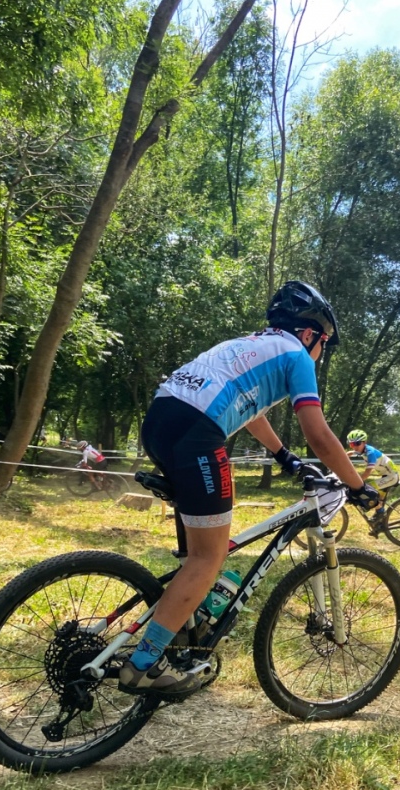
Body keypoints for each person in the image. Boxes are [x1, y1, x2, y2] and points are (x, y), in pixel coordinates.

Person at [118, 280, 381, 702]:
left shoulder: (248, 346)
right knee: (209, 557)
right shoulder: (297, 355)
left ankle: (185, 627)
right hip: (197, 434)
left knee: (197, 553)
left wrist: (284, 456)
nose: (320, 353)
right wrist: (358, 485)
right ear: (309, 334)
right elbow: (319, 435)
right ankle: (144, 665)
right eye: (324, 344)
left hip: (161, 420)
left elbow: (251, 412)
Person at [346, 429, 400, 531]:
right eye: (351, 444)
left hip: (391, 476)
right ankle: (380, 522)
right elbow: (354, 451)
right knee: (376, 496)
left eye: (357, 443)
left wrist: (357, 482)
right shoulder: (363, 449)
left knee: (368, 490)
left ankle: (380, 512)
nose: (354, 446)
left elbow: (367, 472)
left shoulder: (370, 453)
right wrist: (347, 455)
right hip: (386, 475)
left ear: (364, 442)